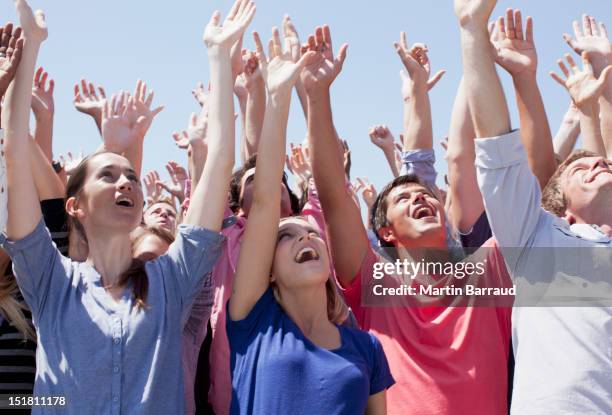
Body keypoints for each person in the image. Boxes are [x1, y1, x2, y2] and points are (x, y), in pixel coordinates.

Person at [0, 1, 253, 414]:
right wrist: (31, 49)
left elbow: (220, 160)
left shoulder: (172, 278)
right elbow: (13, 156)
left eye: (132, 177)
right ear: (75, 206)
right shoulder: (50, 279)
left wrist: (218, 57)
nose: (126, 182)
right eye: (108, 176)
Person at [306, 15, 514, 415]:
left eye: (426, 194)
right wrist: (316, 96)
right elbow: (333, 194)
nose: (422, 198)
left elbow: (474, 154)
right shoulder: (374, 284)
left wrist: (474, 38)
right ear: (384, 231)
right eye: (404, 199)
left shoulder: (489, 276)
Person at [226, 26, 394, 414]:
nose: (306, 238)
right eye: (287, 236)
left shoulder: (366, 347)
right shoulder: (253, 320)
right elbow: (267, 201)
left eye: (312, 233)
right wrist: (279, 97)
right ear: (266, 269)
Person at [455, 0, 612, 413]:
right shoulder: (537, 239)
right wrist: (471, 30)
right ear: (564, 210)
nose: (595, 161)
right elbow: (496, 149)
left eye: (600, 161)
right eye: (579, 169)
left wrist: (604, 73)